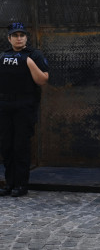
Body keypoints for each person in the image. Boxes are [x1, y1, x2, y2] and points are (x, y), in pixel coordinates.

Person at [0, 23, 49, 197]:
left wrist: (27, 62)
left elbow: (42, 79)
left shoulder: (34, 55)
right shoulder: (3, 56)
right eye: (15, 35)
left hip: (24, 105)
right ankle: (9, 183)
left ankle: (21, 185)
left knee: (20, 146)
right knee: (6, 146)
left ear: (27, 37)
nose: (19, 38)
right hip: (5, 106)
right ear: (9, 38)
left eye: (22, 35)